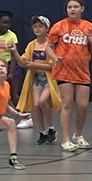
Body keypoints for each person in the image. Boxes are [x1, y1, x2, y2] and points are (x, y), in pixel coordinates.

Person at [48, 0, 92, 152]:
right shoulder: (59, 26)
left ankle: (78, 135)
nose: (72, 9)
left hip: (82, 72)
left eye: (75, 6)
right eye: (69, 7)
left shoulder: (89, 26)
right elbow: (49, 47)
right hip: (64, 71)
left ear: (82, 8)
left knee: (83, 105)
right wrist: (54, 57)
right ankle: (65, 139)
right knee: (67, 104)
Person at [16, 15, 59, 144]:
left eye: (40, 26)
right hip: (36, 79)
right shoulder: (31, 45)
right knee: (35, 105)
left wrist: (35, 65)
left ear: (47, 29)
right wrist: (15, 53)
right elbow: (23, 63)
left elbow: (52, 66)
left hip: (48, 79)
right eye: (35, 26)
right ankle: (42, 132)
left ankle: (51, 128)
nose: (37, 28)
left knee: (42, 101)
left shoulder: (50, 45)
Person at [0, 10, 19, 99]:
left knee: (13, 94)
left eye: (8, 23)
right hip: (0, 66)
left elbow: (14, 55)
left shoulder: (12, 36)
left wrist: (11, 72)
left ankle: (22, 112)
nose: (6, 25)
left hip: (11, 65)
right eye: (3, 23)